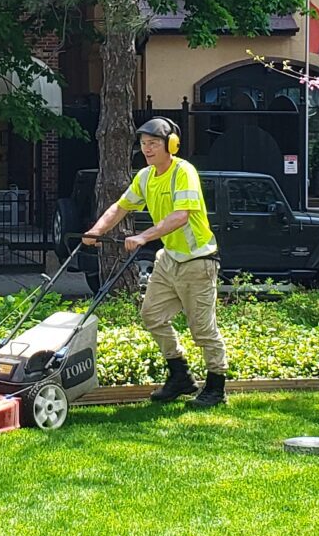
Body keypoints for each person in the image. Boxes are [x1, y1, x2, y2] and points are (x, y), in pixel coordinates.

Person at [82, 117, 227, 407]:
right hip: (169, 260)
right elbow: (121, 206)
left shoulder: (183, 172)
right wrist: (97, 230)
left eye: (153, 143)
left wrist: (144, 236)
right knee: (152, 315)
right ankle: (180, 375)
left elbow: (180, 216)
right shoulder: (146, 176)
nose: (147, 149)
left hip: (198, 261)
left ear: (171, 145)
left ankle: (216, 386)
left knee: (202, 328)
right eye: (144, 144)